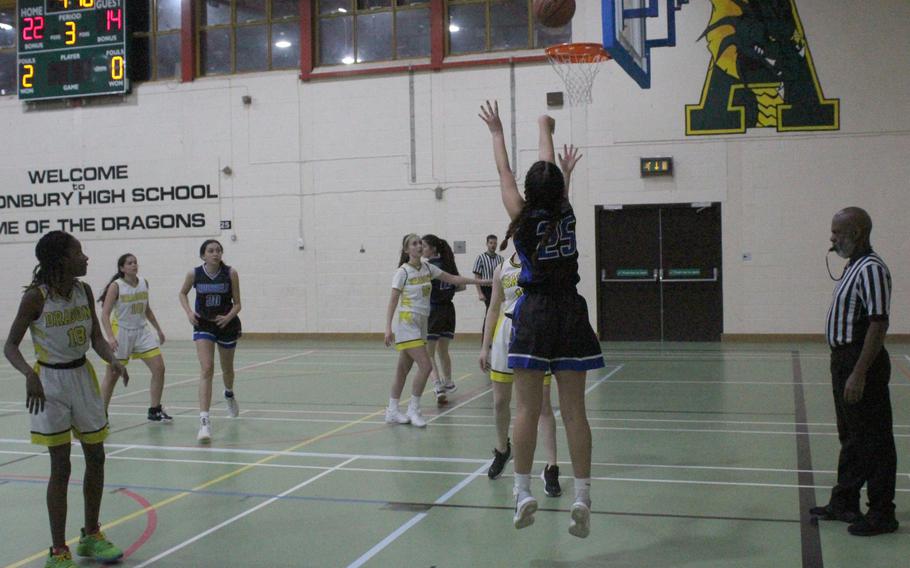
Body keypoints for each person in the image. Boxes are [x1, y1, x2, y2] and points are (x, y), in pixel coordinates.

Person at [480, 101, 604, 538]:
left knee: (527, 409)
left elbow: (505, 173)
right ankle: (583, 495)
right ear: (560, 189)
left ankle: (522, 490)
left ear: (531, 192)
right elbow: (549, 168)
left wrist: (497, 131)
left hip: (534, 313)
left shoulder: (523, 215)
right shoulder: (566, 210)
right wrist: (544, 125)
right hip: (571, 310)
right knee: (574, 412)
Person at [4, 231, 128, 568]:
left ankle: (91, 535)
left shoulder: (84, 291)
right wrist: (30, 375)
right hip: (51, 383)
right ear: (60, 259)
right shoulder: (35, 297)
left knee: (97, 457)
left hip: (82, 378)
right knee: (61, 466)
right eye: (79, 252)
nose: (85, 258)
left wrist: (112, 360)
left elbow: (95, 338)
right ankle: (58, 551)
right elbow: (10, 346)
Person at [810, 207, 898, 536]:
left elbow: (878, 323)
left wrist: (859, 372)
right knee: (851, 437)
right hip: (843, 360)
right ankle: (845, 500)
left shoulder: (872, 269)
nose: (831, 238)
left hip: (862, 362)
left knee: (874, 439)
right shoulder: (853, 267)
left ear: (856, 233)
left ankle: (881, 513)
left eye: (836, 232)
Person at [479, 250, 561, 498]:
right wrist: (484, 346)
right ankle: (503, 449)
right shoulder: (501, 268)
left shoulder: (543, 263)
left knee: (543, 405)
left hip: (535, 333)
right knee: (500, 402)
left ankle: (552, 466)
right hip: (506, 333)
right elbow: (493, 308)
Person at [384, 234, 488, 427]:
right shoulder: (402, 272)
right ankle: (413, 409)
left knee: (403, 369)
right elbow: (392, 301)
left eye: (420, 243)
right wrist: (388, 328)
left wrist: (485, 282)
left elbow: (455, 278)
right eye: (414, 244)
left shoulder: (428, 268)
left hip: (422, 324)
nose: (419, 246)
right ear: (407, 250)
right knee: (426, 366)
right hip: (407, 324)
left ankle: (392, 410)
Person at [179, 239, 242, 443]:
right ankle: (204, 422)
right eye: (211, 250)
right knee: (206, 368)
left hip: (226, 323)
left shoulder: (230, 273)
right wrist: (189, 312)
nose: (215, 253)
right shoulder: (194, 274)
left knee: (227, 370)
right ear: (203, 255)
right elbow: (182, 293)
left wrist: (228, 316)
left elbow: (238, 303)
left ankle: (229, 394)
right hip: (203, 324)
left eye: (218, 250)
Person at [98, 253, 171, 422]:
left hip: (141, 331)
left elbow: (147, 309)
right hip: (121, 331)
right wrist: (110, 336)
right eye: (129, 263)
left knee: (159, 368)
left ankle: (154, 410)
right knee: (112, 376)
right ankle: (101, 416)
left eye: (135, 262)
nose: (133, 265)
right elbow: (105, 314)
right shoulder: (116, 286)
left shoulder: (144, 283)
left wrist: (158, 330)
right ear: (122, 268)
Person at [422, 234, 464, 403]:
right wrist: (446, 290)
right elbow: (461, 286)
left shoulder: (429, 267)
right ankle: (448, 381)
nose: (422, 248)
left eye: (424, 246)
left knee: (428, 352)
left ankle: (438, 385)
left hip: (434, 310)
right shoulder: (449, 264)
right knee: (443, 350)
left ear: (433, 248)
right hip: (449, 309)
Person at [473, 234, 504, 310]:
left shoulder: (500, 259)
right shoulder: (480, 258)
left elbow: (503, 277)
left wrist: (503, 293)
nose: (493, 245)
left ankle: (491, 322)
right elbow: (477, 277)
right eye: (491, 243)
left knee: (495, 309)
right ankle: (488, 322)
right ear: (487, 244)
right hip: (486, 288)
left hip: (497, 287)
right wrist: (480, 293)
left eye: (495, 243)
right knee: (490, 308)